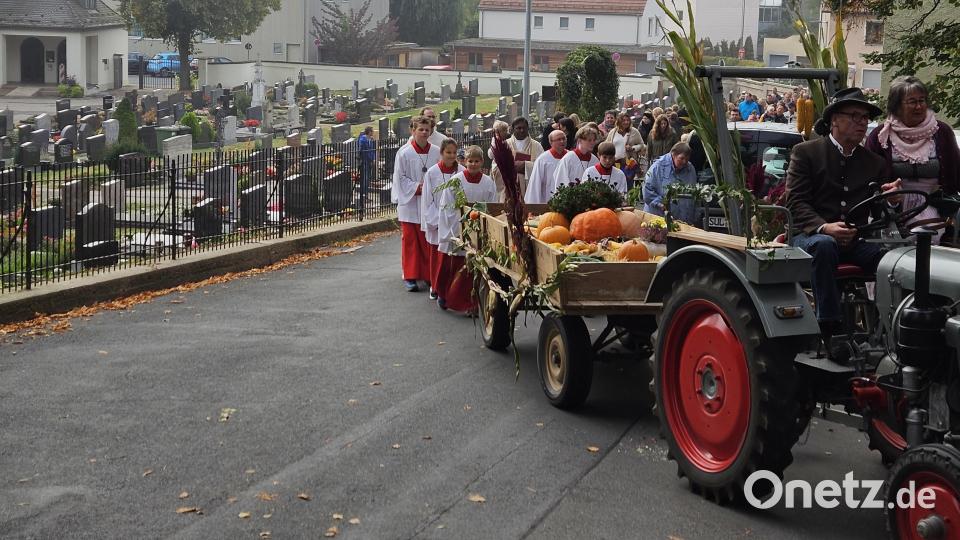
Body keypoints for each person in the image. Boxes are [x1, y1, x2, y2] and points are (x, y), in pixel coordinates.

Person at [785, 87, 900, 345]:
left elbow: (879, 210)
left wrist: (890, 200)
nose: (862, 123)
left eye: (865, 118)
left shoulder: (874, 162)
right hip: (809, 238)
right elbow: (795, 201)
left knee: (893, 261)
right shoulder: (807, 152)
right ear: (834, 119)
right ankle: (830, 327)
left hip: (854, 242)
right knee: (825, 246)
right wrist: (824, 227)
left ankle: (893, 329)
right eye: (855, 116)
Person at [866, 76, 960, 243]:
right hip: (891, 209)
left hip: (935, 205)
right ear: (897, 106)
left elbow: (957, 173)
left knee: (926, 237)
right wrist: (887, 196)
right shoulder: (880, 136)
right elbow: (867, 180)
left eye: (922, 100)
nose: (919, 106)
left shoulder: (942, 132)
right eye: (912, 102)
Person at [437, 145, 497, 313]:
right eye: (470, 161)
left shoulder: (488, 182)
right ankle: (444, 295)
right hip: (457, 227)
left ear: (482, 162)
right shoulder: (455, 181)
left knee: (473, 269)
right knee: (453, 266)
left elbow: (492, 205)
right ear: (464, 161)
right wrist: (458, 226)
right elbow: (447, 206)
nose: (473, 164)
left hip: (479, 229)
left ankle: (470, 303)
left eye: (477, 161)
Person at [394, 115, 441, 292]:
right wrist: (418, 187)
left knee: (427, 240)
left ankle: (428, 274)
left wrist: (430, 188)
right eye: (420, 129)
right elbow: (400, 178)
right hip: (410, 203)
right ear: (412, 131)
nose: (423, 132)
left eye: (426, 130)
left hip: (429, 203)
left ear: (430, 132)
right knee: (411, 241)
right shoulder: (404, 152)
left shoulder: (436, 151)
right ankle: (411, 276)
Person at [422, 138, 464, 302]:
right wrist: (437, 221)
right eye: (448, 152)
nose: (451, 156)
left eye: (454, 152)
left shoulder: (461, 172)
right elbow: (428, 200)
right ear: (441, 153)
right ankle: (435, 286)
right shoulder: (432, 173)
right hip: (437, 221)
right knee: (437, 257)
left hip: (455, 221)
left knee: (453, 258)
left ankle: (451, 289)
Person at [642, 142, 698, 224]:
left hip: (683, 221)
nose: (684, 162)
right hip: (658, 219)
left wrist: (695, 215)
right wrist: (661, 203)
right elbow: (647, 191)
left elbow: (694, 193)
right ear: (673, 154)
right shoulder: (658, 166)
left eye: (687, 159)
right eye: (681, 158)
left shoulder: (690, 169)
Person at [504, 117, 544, 201]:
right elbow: (495, 166)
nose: (522, 130)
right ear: (512, 129)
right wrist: (511, 166)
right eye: (518, 128)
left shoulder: (537, 146)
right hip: (509, 186)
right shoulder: (505, 145)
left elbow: (542, 166)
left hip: (529, 187)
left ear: (528, 128)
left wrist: (525, 166)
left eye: (524, 128)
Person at [525, 129, 568, 204]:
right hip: (548, 200)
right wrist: (533, 206)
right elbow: (535, 183)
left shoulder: (570, 157)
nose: (562, 141)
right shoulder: (543, 159)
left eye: (564, 138)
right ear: (551, 142)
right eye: (558, 139)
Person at [604, 112, 644, 189]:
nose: (626, 122)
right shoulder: (613, 132)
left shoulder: (634, 131)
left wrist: (633, 148)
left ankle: (628, 199)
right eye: (623, 120)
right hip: (615, 162)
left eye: (627, 120)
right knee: (615, 184)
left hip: (628, 163)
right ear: (619, 121)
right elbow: (607, 144)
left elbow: (642, 145)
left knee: (627, 184)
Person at [488, 120, 513, 201]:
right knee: (500, 189)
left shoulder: (505, 140)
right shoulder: (496, 141)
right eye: (505, 130)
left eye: (507, 130)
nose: (507, 132)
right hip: (498, 167)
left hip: (505, 166)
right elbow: (491, 154)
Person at [357, 127, 376, 218]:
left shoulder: (371, 140)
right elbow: (362, 151)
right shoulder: (363, 139)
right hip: (364, 161)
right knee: (365, 178)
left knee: (368, 178)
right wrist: (368, 158)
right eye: (372, 131)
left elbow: (372, 150)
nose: (373, 132)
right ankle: (363, 196)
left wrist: (373, 159)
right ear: (369, 132)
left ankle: (366, 195)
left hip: (369, 161)